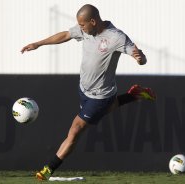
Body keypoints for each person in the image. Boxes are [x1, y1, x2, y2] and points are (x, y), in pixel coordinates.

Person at [21, 4, 156, 180]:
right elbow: (65, 35)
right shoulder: (86, 29)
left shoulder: (116, 37)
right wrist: (38, 44)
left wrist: (140, 58)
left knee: (76, 129)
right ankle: (134, 95)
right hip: (84, 90)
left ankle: (48, 169)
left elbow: (138, 56)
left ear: (93, 21)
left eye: (83, 25)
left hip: (101, 96)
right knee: (105, 111)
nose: (80, 29)